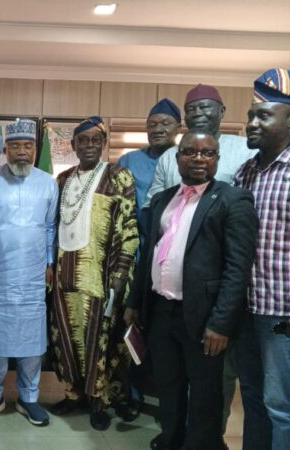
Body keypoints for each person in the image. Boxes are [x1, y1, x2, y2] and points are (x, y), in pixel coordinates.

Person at [125, 129, 258, 450]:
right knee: (168, 386)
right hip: (161, 312)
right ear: (177, 157)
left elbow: (238, 269)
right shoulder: (163, 199)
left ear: (217, 159)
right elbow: (150, 254)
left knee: (204, 393)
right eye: (190, 152)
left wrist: (220, 324)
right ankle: (170, 440)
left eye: (207, 153)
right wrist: (134, 302)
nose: (199, 158)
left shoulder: (233, 199)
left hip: (203, 318)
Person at [49, 116, 139, 430]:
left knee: (99, 339)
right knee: (66, 337)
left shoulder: (118, 176)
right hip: (65, 275)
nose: (89, 145)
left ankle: (100, 400)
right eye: (83, 140)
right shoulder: (62, 179)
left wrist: (120, 273)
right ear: (73, 145)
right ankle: (74, 394)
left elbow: (130, 228)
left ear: (103, 144)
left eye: (95, 140)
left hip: (101, 275)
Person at [0, 119, 58, 427]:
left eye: (28, 146)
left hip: (34, 274)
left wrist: (49, 263)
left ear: (35, 149)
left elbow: (50, 227)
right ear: (5, 149)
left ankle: (29, 398)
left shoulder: (48, 183)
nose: (22, 152)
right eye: (16, 146)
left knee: (32, 342)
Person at [234, 68, 290, 450]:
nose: (252, 123)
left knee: (281, 407)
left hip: (282, 315)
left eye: (264, 116)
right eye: (251, 115)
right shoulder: (246, 172)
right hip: (246, 310)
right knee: (253, 399)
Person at [146, 84, 256, 205]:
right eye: (190, 110)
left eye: (204, 107)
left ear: (222, 111)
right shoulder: (169, 156)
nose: (197, 113)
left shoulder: (246, 150)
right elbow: (154, 203)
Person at [119, 98, 181, 246]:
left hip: (175, 240)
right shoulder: (129, 160)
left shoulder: (187, 160)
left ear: (178, 127)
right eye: (152, 125)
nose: (158, 130)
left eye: (165, 124)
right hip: (134, 241)